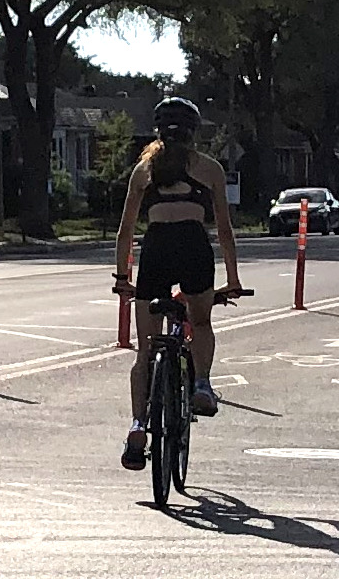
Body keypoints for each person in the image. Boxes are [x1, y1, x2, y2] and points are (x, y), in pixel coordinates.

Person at [111, 96, 243, 471]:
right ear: (194, 132)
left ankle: (138, 426)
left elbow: (125, 233)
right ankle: (201, 383)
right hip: (193, 247)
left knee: (144, 351)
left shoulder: (143, 171)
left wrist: (123, 279)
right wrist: (232, 280)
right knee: (199, 322)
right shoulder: (210, 169)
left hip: (156, 250)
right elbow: (224, 231)